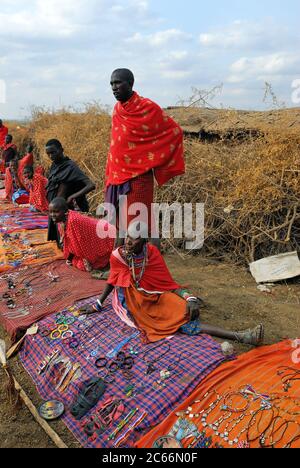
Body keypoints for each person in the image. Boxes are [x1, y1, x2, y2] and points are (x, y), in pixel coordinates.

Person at [84, 221, 264, 345]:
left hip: (153, 293)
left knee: (184, 307)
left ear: (145, 240)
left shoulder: (151, 253)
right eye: (128, 237)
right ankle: (240, 336)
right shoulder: (118, 256)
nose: (129, 242)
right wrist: (98, 304)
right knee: (176, 319)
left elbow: (167, 284)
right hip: (131, 299)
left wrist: (189, 297)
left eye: (135, 238)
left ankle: (240, 336)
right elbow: (112, 280)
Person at [106, 68, 185, 243]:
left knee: (138, 225)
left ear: (130, 83)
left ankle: (144, 265)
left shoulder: (147, 107)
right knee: (120, 224)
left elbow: (174, 131)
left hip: (138, 178)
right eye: (111, 83)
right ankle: (121, 266)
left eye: (118, 82)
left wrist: (153, 158)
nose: (114, 87)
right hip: (117, 177)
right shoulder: (117, 109)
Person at [45, 139, 96, 241]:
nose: (51, 156)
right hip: (56, 209)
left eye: (53, 152)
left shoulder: (70, 166)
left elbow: (91, 185)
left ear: (61, 150)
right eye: (48, 154)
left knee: (71, 239)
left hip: (66, 210)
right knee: (60, 239)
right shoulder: (54, 165)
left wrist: (72, 196)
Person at [48, 197, 116, 273]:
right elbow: (70, 242)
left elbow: (81, 243)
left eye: (56, 212)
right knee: (77, 262)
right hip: (101, 232)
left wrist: (86, 259)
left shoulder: (73, 221)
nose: (52, 215)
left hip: (108, 235)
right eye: (50, 212)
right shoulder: (62, 221)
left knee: (84, 265)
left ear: (65, 211)